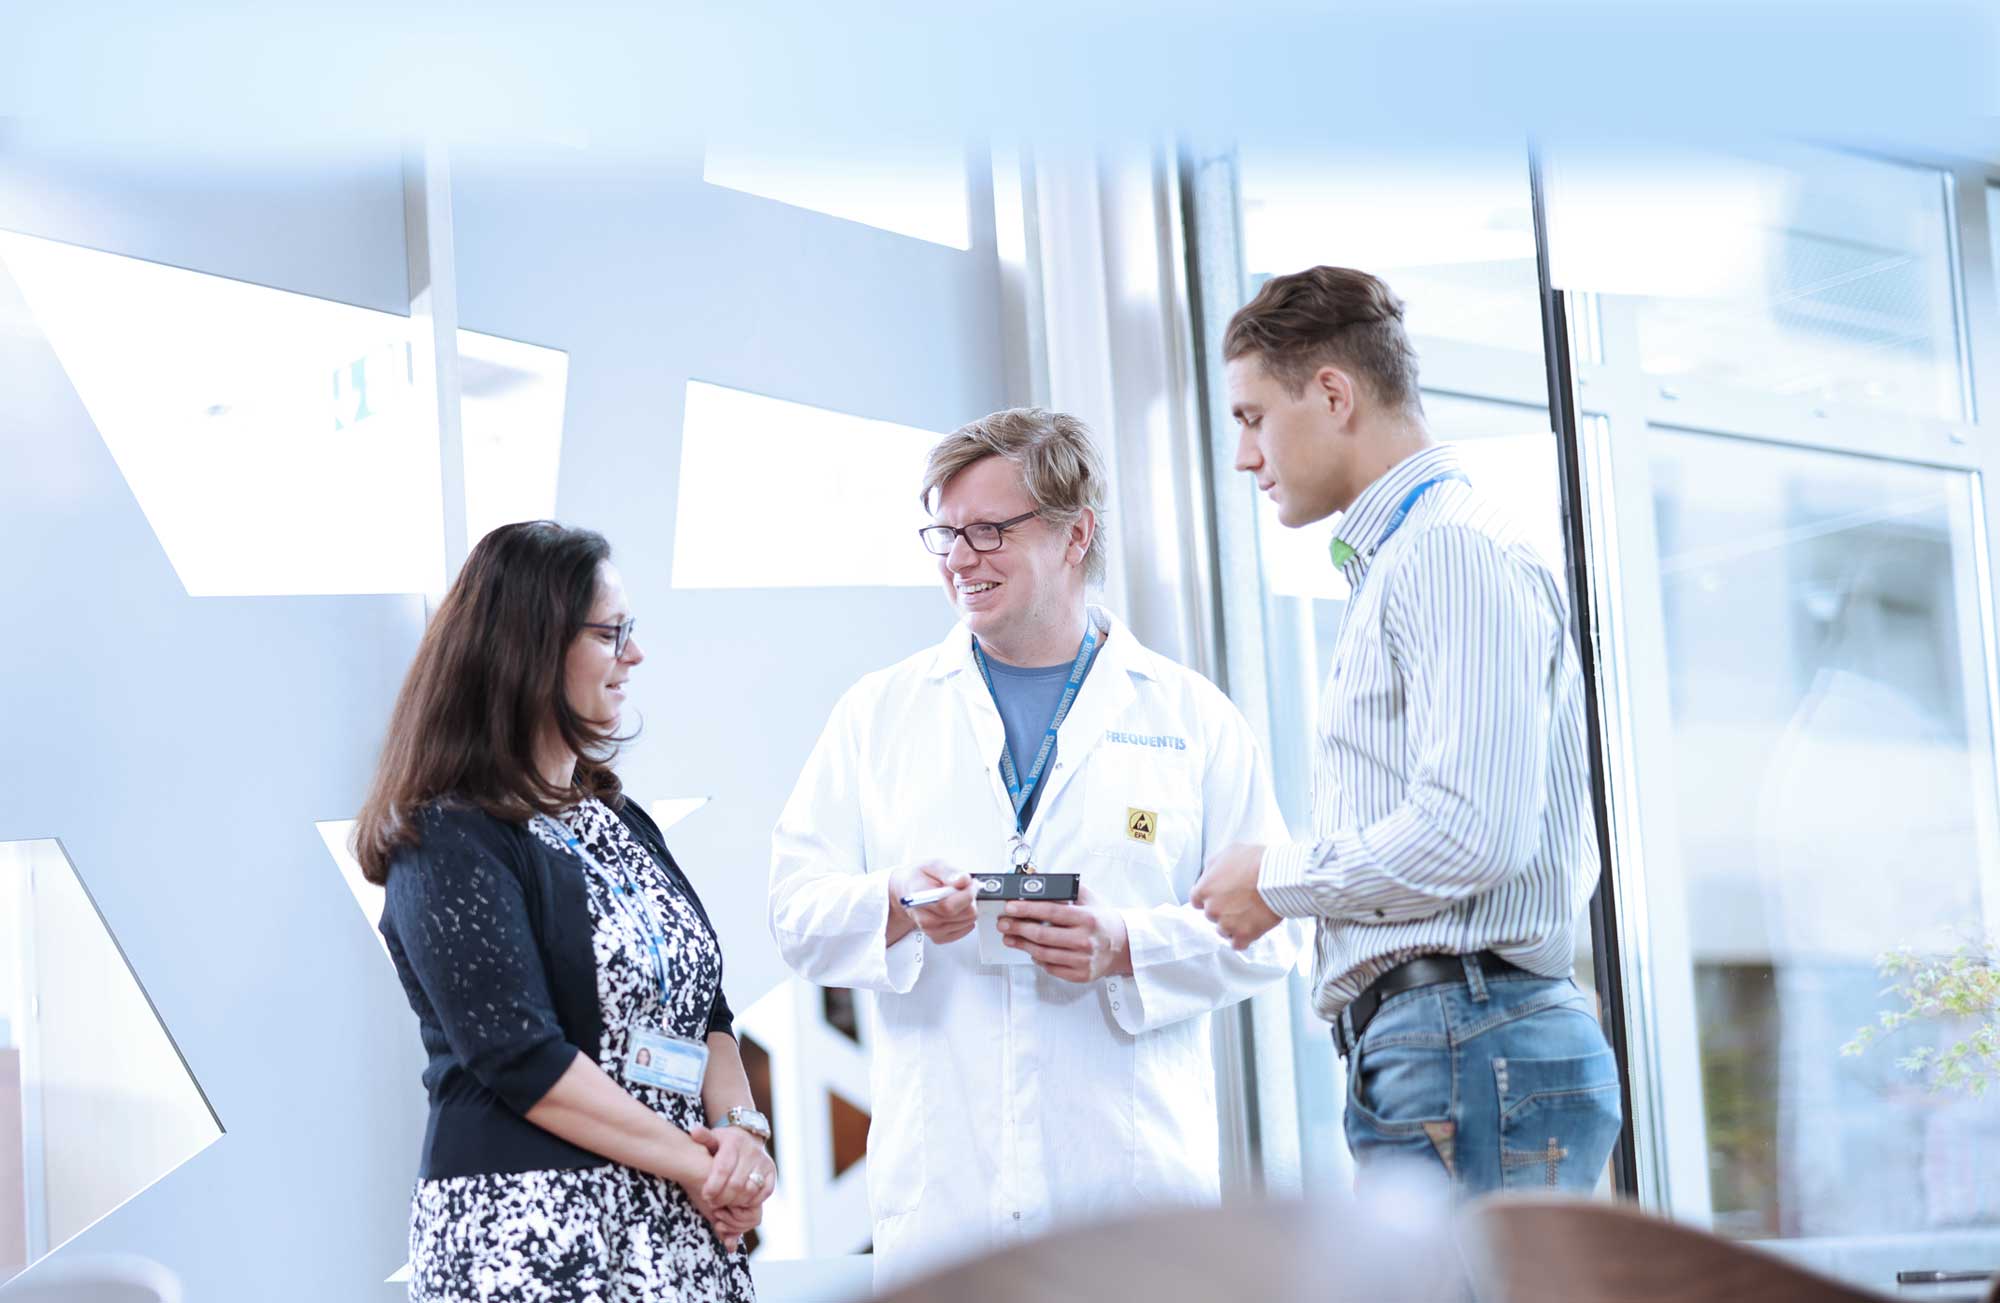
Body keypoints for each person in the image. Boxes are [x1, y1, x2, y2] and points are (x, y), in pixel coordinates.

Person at [769, 408, 1300, 1288]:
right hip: (948, 1197)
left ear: (1075, 533)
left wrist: (1128, 944)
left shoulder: (1188, 715)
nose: (958, 558)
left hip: (1131, 1198)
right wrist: (895, 903)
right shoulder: (880, 713)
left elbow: (1278, 927)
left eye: (987, 530)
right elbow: (795, 911)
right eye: (944, 533)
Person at [1190, 266, 1622, 1193]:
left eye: (1251, 417)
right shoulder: (1411, 557)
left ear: (1333, 393)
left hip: (1466, 1039)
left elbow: (1469, 830)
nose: (1244, 457)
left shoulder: (1447, 552)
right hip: (1457, 1043)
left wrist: (1278, 877)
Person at [357, 521, 773, 1301]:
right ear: (531, 649)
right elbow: (520, 1055)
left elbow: (705, 1009)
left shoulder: (621, 820)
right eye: (613, 634)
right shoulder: (449, 836)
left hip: (678, 1226)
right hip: (533, 1233)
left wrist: (744, 1141)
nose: (635, 656)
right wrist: (703, 1164)